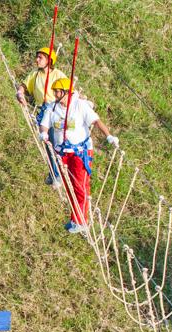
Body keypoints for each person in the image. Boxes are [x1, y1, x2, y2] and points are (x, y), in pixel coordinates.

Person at [39, 77, 119, 234]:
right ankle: (75, 218)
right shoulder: (53, 108)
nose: (55, 95)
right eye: (54, 91)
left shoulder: (79, 106)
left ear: (66, 92)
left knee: (80, 186)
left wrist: (109, 136)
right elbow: (44, 123)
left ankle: (82, 220)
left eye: (57, 92)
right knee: (69, 185)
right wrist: (43, 133)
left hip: (80, 153)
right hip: (62, 153)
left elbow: (96, 121)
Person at [16, 47, 68, 186]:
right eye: (37, 57)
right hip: (42, 112)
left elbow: (69, 90)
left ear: (49, 61)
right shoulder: (35, 74)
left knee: (57, 141)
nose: (37, 59)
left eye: (41, 57)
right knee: (48, 143)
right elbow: (23, 86)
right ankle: (54, 173)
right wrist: (20, 93)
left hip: (56, 112)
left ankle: (58, 174)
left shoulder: (58, 74)